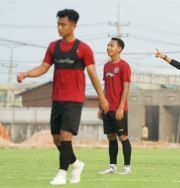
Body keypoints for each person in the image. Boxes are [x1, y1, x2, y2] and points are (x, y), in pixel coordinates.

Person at [17, 9, 109, 185]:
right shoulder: (53, 47)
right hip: (57, 99)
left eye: (63, 24)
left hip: (74, 100)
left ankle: (61, 173)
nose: (60, 28)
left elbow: (92, 74)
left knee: (66, 136)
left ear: (73, 26)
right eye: (58, 24)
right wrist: (26, 74)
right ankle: (76, 163)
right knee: (57, 138)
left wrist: (101, 97)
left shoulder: (83, 49)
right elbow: (44, 67)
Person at [98, 38, 132, 175]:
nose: (108, 47)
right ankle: (112, 166)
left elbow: (126, 88)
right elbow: (105, 88)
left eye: (111, 45)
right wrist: (101, 106)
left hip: (119, 110)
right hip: (107, 109)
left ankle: (127, 167)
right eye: (108, 45)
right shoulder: (106, 66)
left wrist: (121, 107)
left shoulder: (124, 66)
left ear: (119, 49)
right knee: (111, 137)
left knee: (123, 137)